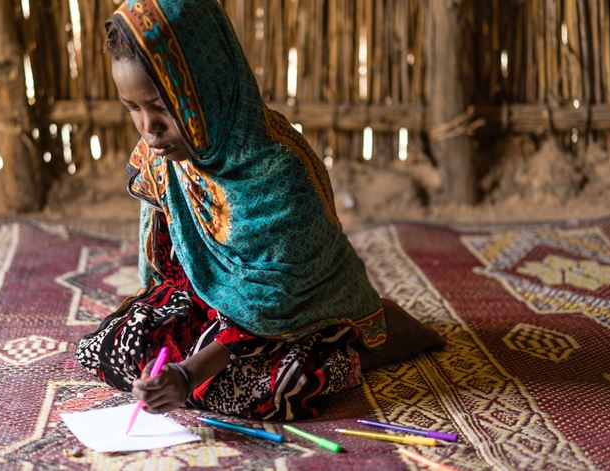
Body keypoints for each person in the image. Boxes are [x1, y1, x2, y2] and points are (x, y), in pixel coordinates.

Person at [76, 0, 444, 421]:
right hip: (214, 305)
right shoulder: (165, 157)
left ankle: (366, 342)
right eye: (133, 108)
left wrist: (187, 372)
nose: (149, 128)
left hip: (297, 316)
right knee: (113, 347)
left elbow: (273, 301)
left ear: (208, 88)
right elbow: (171, 275)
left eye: (161, 106)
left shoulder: (276, 171)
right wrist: (164, 329)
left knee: (271, 389)